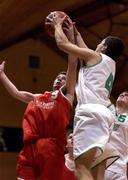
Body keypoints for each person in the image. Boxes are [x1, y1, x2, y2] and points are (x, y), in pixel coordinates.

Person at [48, 12, 125, 179]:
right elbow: (82, 45)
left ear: (103, 47)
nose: (96, 46)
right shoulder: (108, 64)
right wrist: (73, 30)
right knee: (94, 172)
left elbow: (62, 44)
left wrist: (56, 26)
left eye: (99, 43)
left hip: (91, 113)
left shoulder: (95, 57)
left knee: (81, 169)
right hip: (104, 116)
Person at [0, 23, 78, 179]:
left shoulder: (66, 97)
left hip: (51, 147)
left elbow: (72, 64)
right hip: (29, 147)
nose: (60, 79)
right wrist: (1, 74)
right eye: (58, 77)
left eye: (63, 79)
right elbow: (16, 93)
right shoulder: (38, 97)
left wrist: (71, 39)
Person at [104, 91, 128, 180]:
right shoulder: (108, 113)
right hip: (100, 164)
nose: (122, 95)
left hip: (119, 168)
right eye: (120, 94)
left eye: (127, 95)